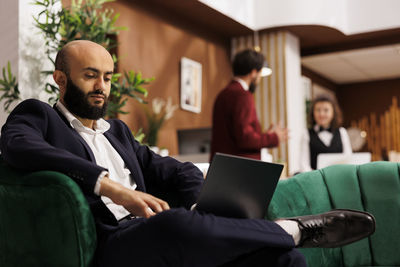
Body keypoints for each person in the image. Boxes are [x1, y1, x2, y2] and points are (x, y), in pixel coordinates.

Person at [1, 40, 374, 267]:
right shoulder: (39, 116)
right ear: (60, 79)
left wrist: (203, 206)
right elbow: (17, 145)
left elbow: (177, 170)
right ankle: (292, 229)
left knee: (280, 259)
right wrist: (110, 186)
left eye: (109, 76)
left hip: (165, 232)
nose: (102, 86)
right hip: (114, 242)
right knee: (173, 224)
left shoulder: (119, 132)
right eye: (90, 75)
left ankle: (282, 238)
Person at [211, 49, 288, 161]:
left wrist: (263, 135)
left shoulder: (223, 94)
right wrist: (273, 137)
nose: (260, 77)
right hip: (238, 168)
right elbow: (245, 138)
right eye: (260, 72)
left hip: (221, 165)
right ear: (253, 73)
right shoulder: (242, 95)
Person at [299, 95, 352, 172]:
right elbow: (304, 164)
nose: (321, 114)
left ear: (333, 112)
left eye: (326, 110)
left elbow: (348, 158)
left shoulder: (342, 132)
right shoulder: (306, 134)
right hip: (315, 179)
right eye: (318, 110)